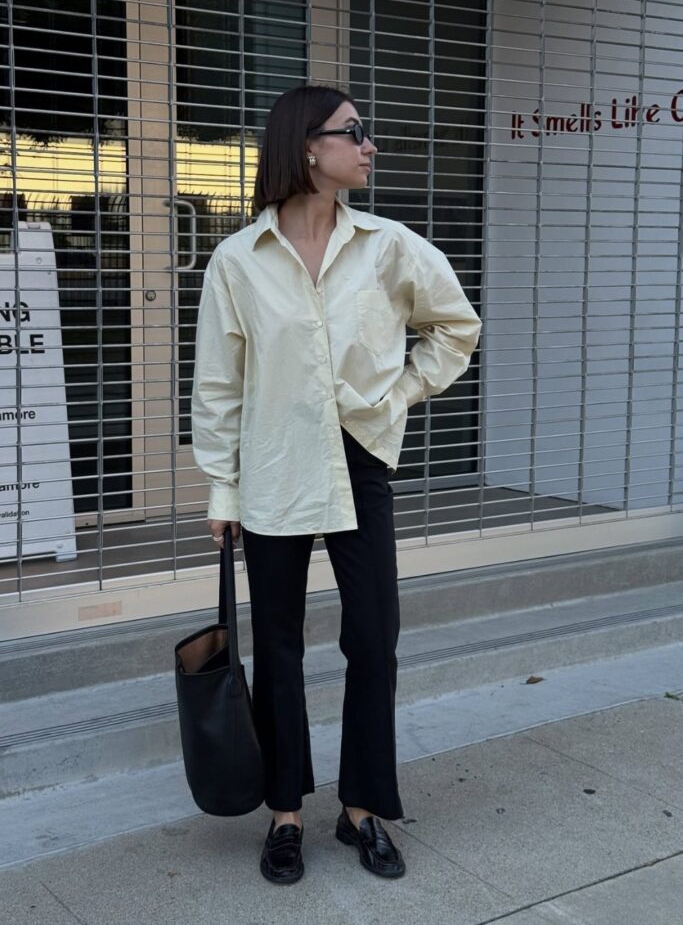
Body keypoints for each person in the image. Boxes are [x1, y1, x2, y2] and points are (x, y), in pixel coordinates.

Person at [191, 84, 481, 884]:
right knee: (278, 644)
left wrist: (397, 394)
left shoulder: (389, 246)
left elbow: (455, 327)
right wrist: (222, 492)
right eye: (354, 132)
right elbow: (218, 385)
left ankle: (361, 809)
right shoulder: (238, 260)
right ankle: (284, 812)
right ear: (307, 147)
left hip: (360, 459)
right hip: (274, 465)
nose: (368, 145)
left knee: (373, 640)